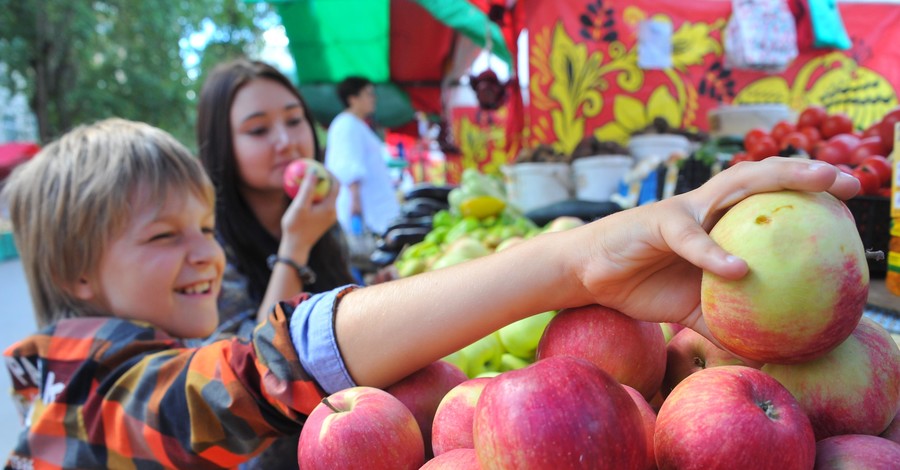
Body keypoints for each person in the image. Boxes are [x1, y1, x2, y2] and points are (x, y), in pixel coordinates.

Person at [1, 117, 860, 467]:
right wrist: (571, 263)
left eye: (202, 225)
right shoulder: (83, 389)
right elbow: (253, 380)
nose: (203, 252)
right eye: (165, 236)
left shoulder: (103, 369)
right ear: (77, 275)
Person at [196, 59, 355, 342]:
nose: (286, 141)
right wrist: (295, 248)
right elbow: (252, 361)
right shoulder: (207, 243)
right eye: (258, 130)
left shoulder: (318, 217)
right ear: (222, 144)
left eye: (294, 120)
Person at [324, 76, 401, 242]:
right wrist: (355, 203)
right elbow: (347, 164)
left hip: (373, 206)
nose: (374, 98)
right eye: (368, 94)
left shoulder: (355, 124)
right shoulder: (347, 124)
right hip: (365, 208)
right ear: (353, 99)